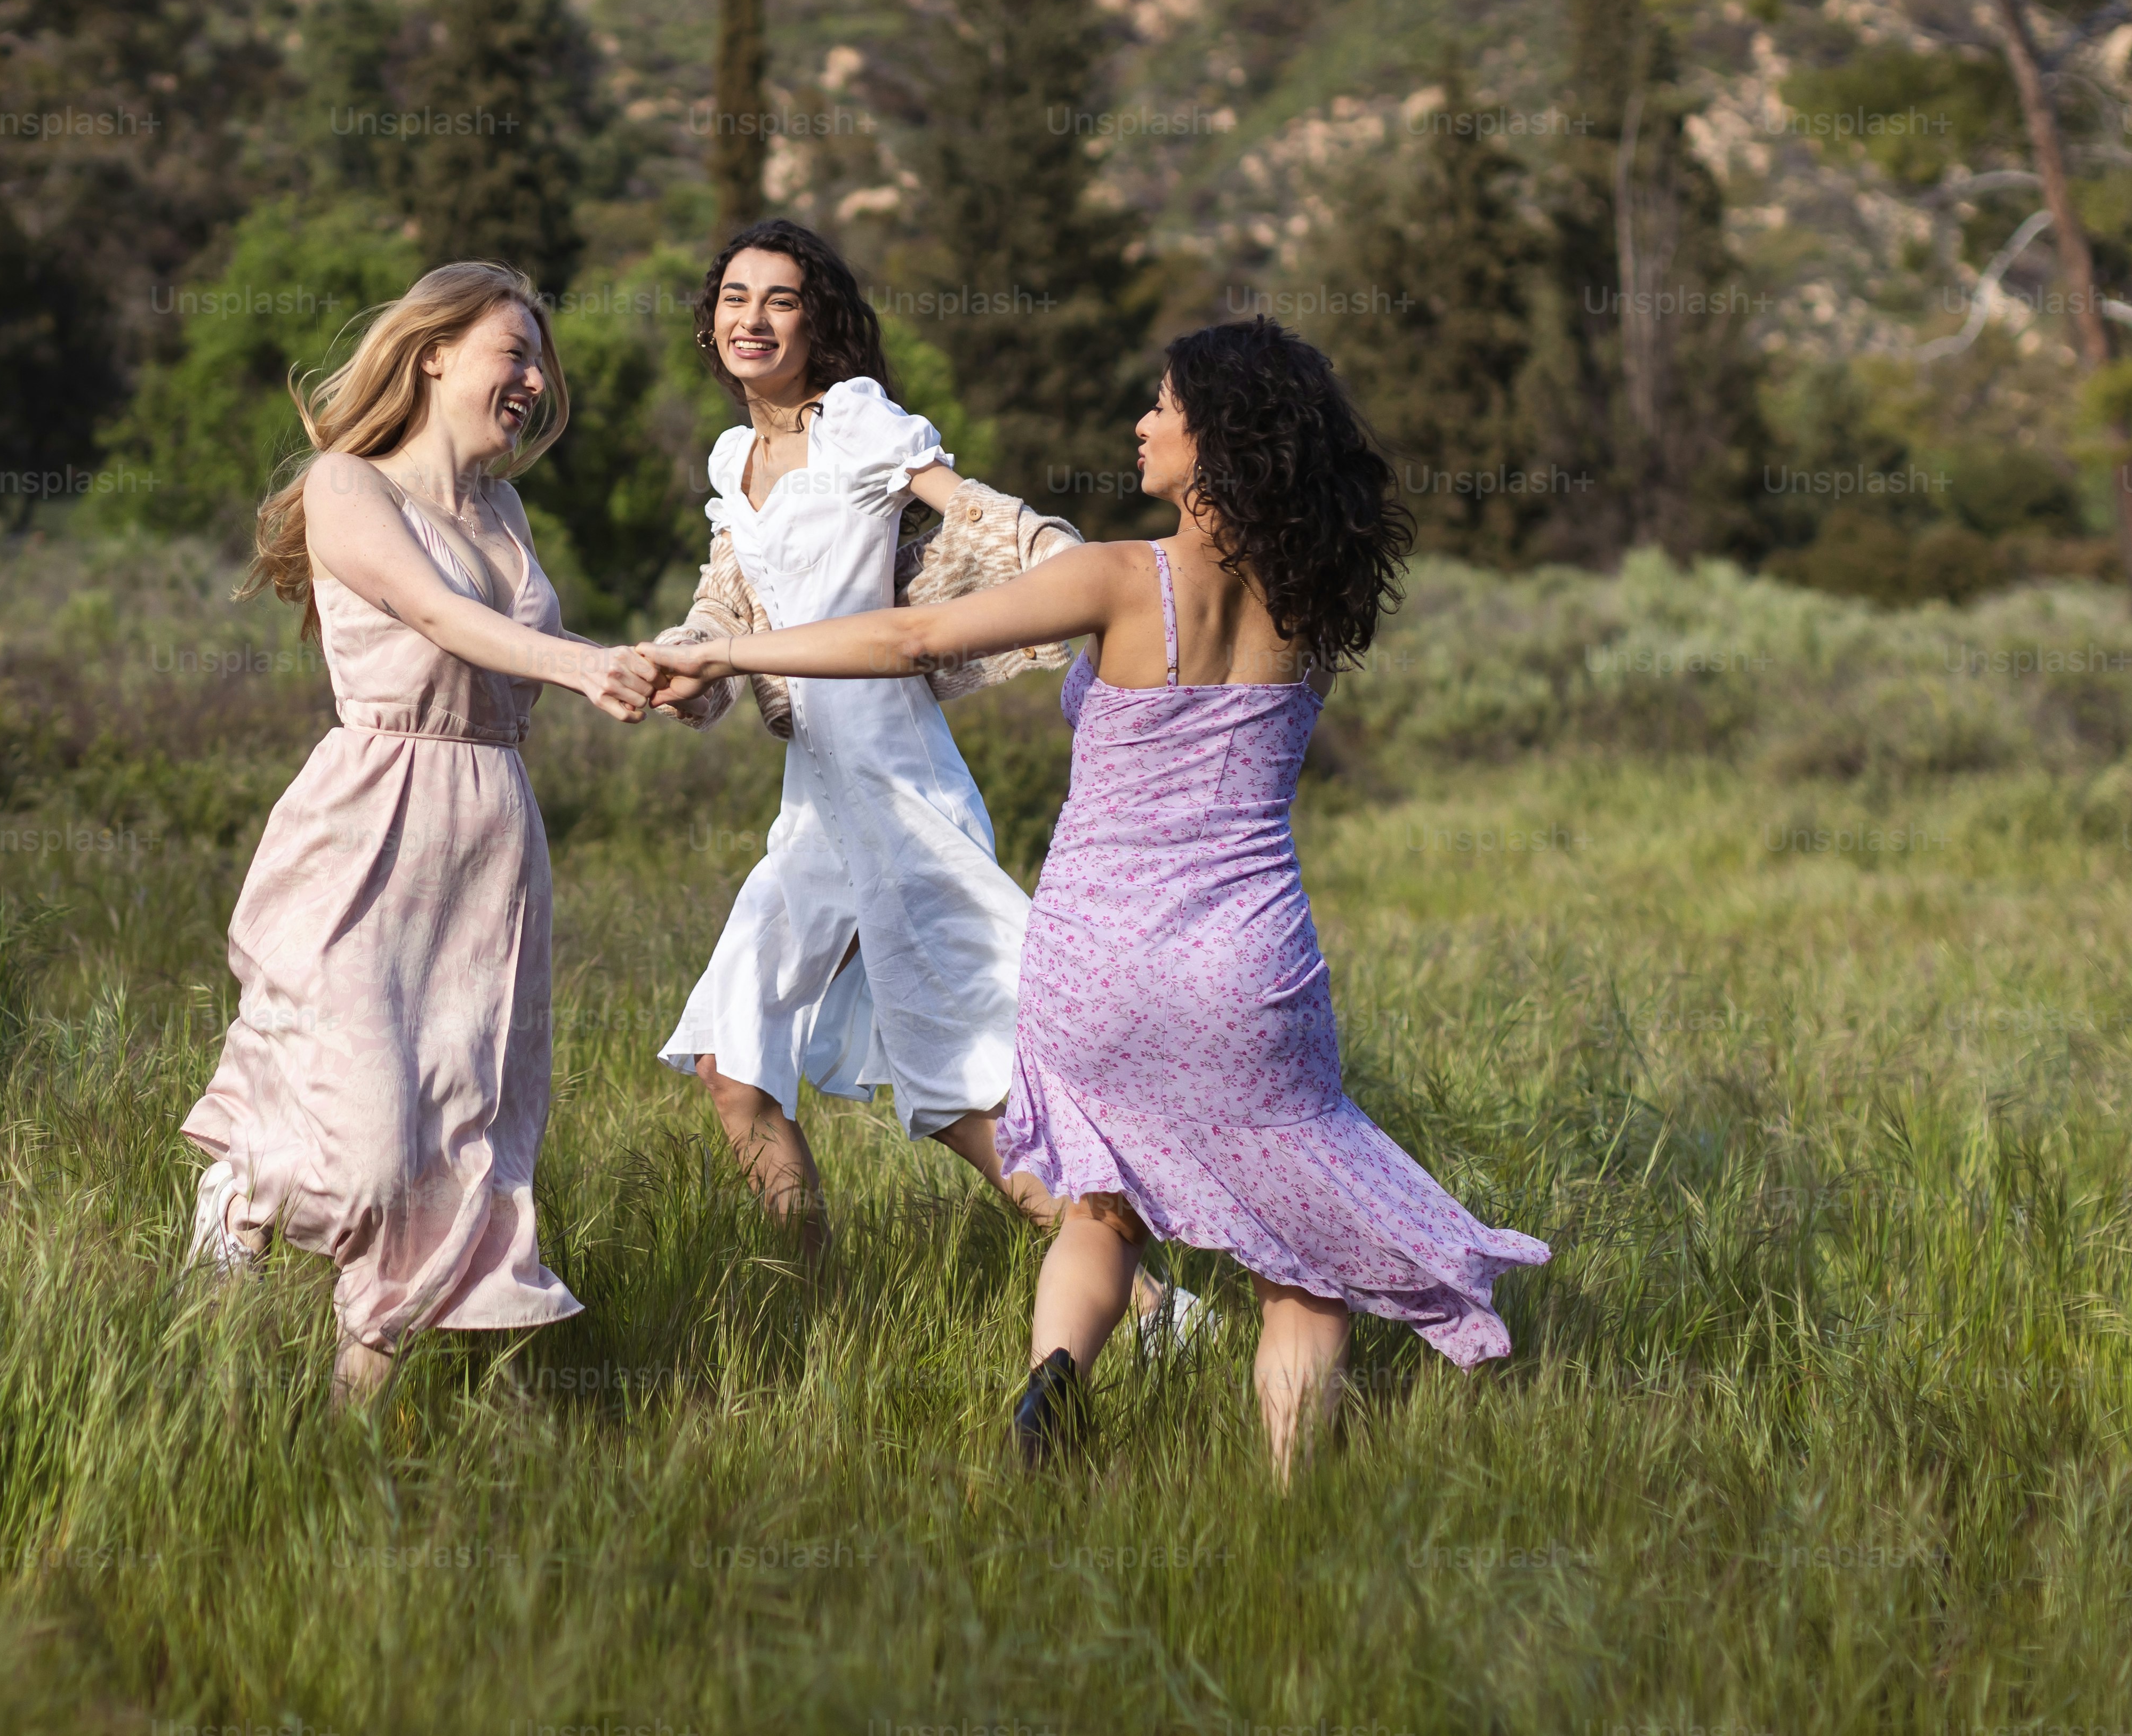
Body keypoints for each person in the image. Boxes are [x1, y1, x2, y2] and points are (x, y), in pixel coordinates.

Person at [648, 317, 1549, 1482]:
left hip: (1093, 962)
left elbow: (916, 635)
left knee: (1096, 1205)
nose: (1142, 423)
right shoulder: (1314, 607)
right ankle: (1288, 1500)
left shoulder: (1122, 576)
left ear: (1216, 440)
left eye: (1163, 405)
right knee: (1306, 1267)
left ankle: (1059, 1375)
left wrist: (731, 657)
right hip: (1248, 962)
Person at [645, 222, 1201, 1352]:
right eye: (735, 297)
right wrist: (681, 659)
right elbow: (725, 598)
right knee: (733, 1063)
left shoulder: (853, 420)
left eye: (782, 300)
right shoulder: (727, 461)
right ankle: (821, 1312)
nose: (753, 317)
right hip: (813, 809)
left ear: (818, 322)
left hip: (899, 796)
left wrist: (1065, 561)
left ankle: (1154, 1316)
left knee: (961, 1091)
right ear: (710, 320)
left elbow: (967, 502)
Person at [181, 263, 656, 1404]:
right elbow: (440, 616)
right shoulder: (348, 485)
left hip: (493, 839)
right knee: (372, 1140)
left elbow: (517, 646)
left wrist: (664, 670)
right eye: (515, 352)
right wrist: (586, 665)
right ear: (436, 350)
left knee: (460, 1143)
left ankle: (353, 1432)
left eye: (542, 364)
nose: (535, 382)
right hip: (373, 818)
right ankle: (247, 1188)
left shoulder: (503, 509)